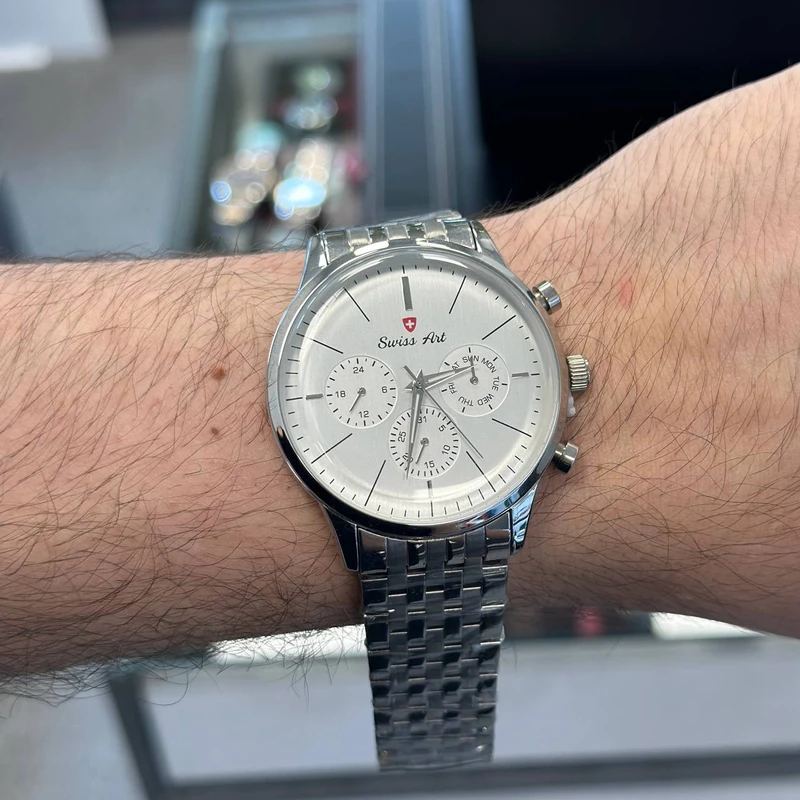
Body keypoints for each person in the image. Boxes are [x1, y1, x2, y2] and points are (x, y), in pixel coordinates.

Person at [1, 64, 798, 681]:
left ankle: (439, 753)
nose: (420, 380)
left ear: (568, 377)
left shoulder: (534, 391)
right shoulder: (327, 357)